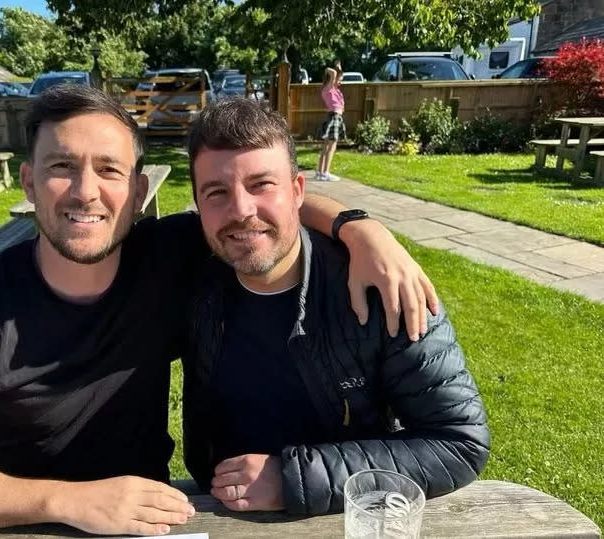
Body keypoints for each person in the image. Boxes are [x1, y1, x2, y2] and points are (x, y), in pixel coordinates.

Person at [0, 85, 438, 536]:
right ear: (28, 181)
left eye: (109, 169)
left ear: (139, 189)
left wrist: (361, 229)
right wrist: (71, 502)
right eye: (61, 166)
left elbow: (259, 203)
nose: (85, 191)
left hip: (151, 523)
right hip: (21, 521)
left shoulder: (171, 254)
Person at [182, 97, 490, 515]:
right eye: (216, 192)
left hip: (343, 518)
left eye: (261, 184)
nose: (240, 210)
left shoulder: (382, 285)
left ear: (297, 190)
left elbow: (458, 442)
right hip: (218, 513)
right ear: (198, 206)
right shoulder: (187, 272)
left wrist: (294, 479)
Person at [315, 60, 345, 181]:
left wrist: (339, 68)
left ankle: (320, 172)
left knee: (326, 146)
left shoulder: (334, 90)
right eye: (339, 79)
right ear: (332, 79)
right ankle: (326, 172)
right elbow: (331, 72)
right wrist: (335, 69)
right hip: (334, 117)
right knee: (331, 146)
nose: (340, 81)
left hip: (334, 117)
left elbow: (336, 73)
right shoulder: (328, 88)